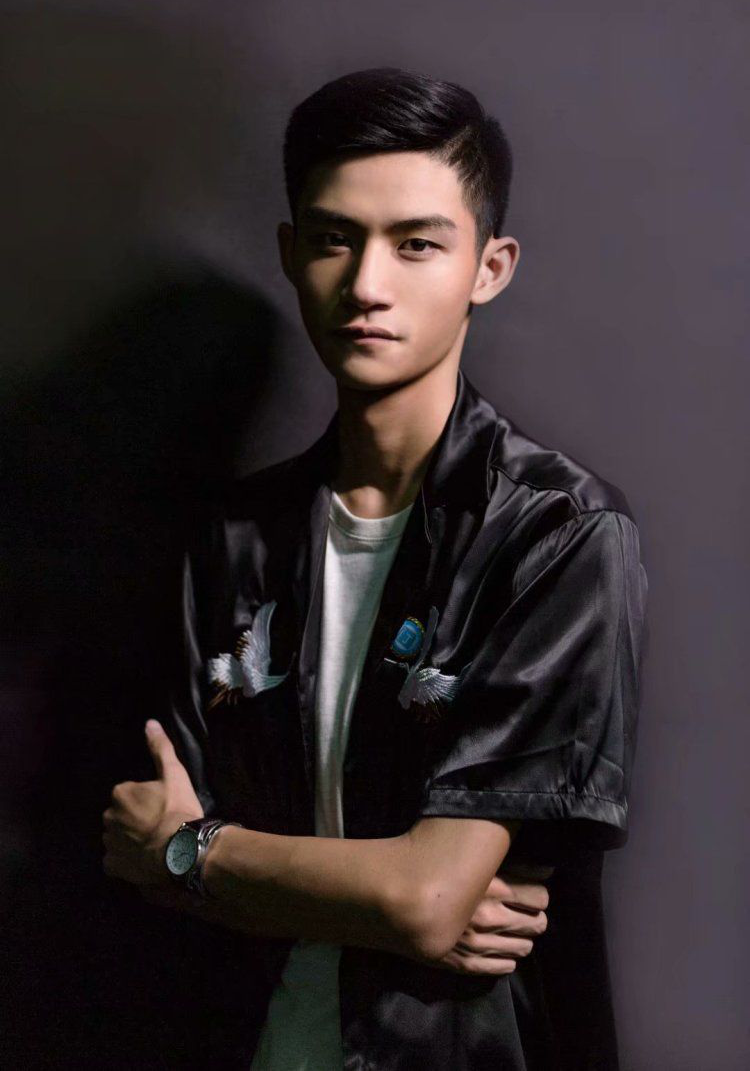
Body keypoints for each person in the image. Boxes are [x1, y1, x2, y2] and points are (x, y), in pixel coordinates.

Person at [102, 67, 649, 1070]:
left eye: (417, 244)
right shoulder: (232, 540)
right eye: (333, 239)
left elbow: (425, 898)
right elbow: (139, 845)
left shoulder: (557, 535)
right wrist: (388, 894)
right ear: (290, 254)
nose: (365, 284)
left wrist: (196, 854)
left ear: (490, 266)